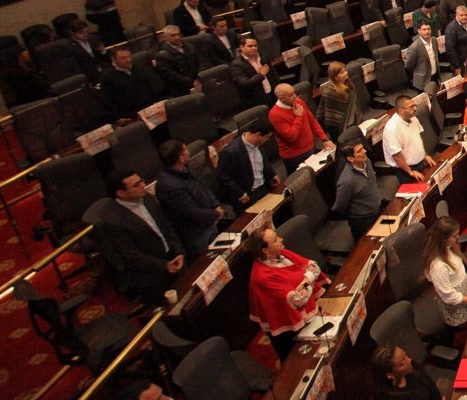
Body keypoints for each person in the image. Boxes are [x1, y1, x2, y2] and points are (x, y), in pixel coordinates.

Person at [94, 170, 184, 305]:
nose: (143, 185)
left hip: (172, 258)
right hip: (151, 274)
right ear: (121, 193)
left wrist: (179, 251)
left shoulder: (145, 197)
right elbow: (132, 257)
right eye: (136, 185)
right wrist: (164, 266)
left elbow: (166, 225)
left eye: (141, 180)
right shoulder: (113, 221)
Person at [247, 225, 328, 362]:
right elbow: (298, 299)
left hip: (303, 312)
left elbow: (314, 266)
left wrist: (304, 282)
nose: (281, 239)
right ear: (265, 250)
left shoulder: (282, 253)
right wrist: (309, 280)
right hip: (287, 327)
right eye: (275, 239)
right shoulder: (262, 277)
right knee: (299, 360)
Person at [155, 140, 227, 258]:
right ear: (181, 157)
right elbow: (191, 213)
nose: (188, 150)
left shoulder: (184, 168)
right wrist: (216, 214)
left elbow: (203, 186)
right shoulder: (168, 186)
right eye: (185, 149)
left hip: (210, 221)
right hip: (196, 234)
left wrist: (216, 205)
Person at [421, 216, 467, 343]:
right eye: (454, 236)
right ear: (443, 239)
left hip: (465, 291)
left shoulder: (449, 247)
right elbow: (449, 297)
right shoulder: (438, 266)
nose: (457, 238)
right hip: (457, 302)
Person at [216, 118, 279, 210]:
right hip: (248, 195)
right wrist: (240, 193)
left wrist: (272, 174)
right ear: (258, 135)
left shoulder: (258, 144)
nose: (267, 140)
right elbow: (223, 176)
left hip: (264, 187)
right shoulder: (230, 152)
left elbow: (263, 161)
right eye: (267, 137)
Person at [268, 82, 331, 171]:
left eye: (294, 92)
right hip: (295, 156)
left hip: (311, 147)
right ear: (281, 98)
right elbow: (291, 137)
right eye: (290, 95)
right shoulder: (274, 115)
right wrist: (298, 117)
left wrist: (324, 139)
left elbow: (312, 121)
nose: (295, 96)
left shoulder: (298, 102)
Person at [333, 142, 383, 238]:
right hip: (362, 222)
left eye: (362, 148)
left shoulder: (367, 162)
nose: (365, 151)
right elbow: (340, 206)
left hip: (377, 211)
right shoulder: (346, 181)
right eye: (359, 151)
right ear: (350, 158)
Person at [382, 97, 435, 182]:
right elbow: (396, 156)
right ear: (401, 110)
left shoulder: (413, 118)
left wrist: (425, 155)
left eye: (414, 105)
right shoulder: (392, 128)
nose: (415, 108)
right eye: (411, 107)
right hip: (406, 171)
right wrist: (410, 172)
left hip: (421, 163)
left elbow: (418, 137)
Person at [316, 61, 360, 140]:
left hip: (352, 121)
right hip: (336, 127)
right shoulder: (329, 92)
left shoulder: (348, 85)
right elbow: (328, 114)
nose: (346, 73)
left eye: (345, 71)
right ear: (335, 77)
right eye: (342, 73)